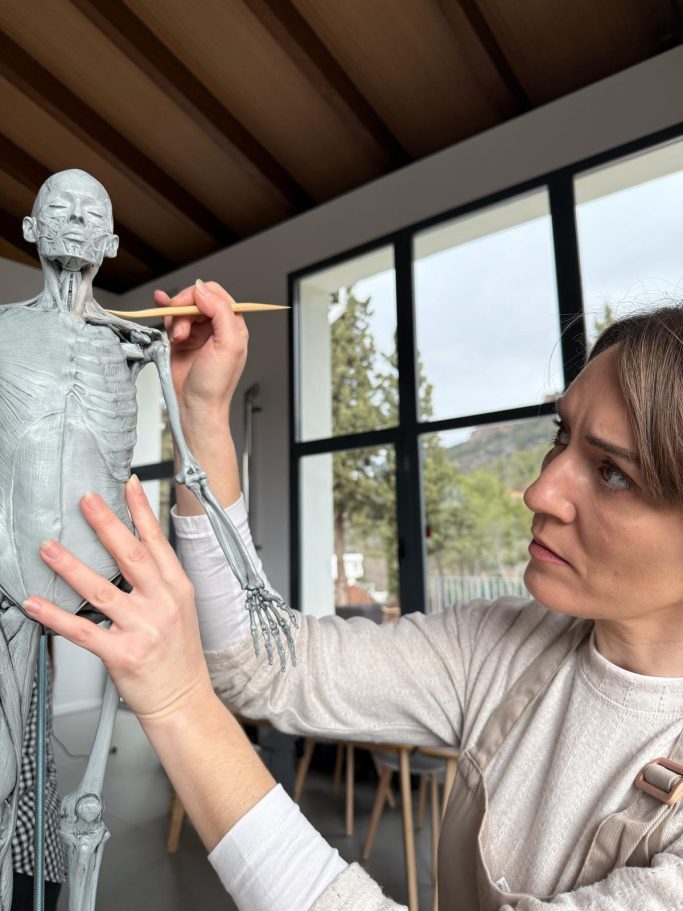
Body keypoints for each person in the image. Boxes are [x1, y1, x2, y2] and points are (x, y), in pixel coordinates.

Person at [21, 280, 683, 910]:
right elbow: (258, 662)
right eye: (560, 437)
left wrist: (178, 705)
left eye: (611, 472)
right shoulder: (505, 646)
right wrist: (200, 415)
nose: (540, 491)